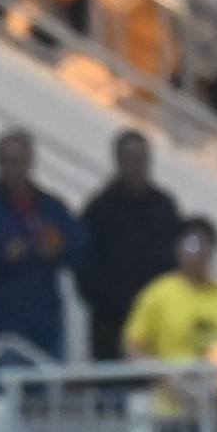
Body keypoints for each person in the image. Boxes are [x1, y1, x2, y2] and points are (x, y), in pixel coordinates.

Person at [0, 129, 85, 360]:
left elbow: (81, 249)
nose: (14, 167)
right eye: (7, 160)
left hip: (45, 329)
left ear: (30, 162)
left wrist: (58, 251)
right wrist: (2, 256)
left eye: (19, 160)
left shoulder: (51, 207)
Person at [78, 130, 181, 362]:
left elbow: (175, 259)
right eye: (130, 157)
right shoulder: (99, 209)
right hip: (110, 322)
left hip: (156, 320)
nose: (137, 164)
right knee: (111, 381)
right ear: (118, 159)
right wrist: (105, 301)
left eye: (142, 157)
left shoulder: (164, 207)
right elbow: (83, 263)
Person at [123, 217, 217, 362]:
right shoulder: (159, 293)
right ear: (177, 248)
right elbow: (133, 345)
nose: (196, 254)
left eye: (203, 245)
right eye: (191, 245)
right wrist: (159, 370)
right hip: (173, 375)